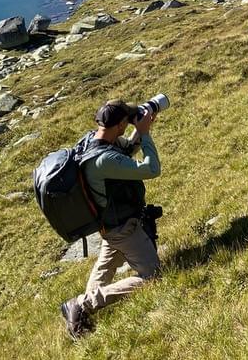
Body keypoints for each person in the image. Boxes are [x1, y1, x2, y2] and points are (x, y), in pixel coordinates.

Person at [60, 100, 162, 339]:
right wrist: (145, 135)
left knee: (107, 263)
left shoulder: (92, 140)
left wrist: (140, 129)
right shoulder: (103, 160)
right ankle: (81, 304)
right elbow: (151, 169)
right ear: (118, 125)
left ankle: (80, 316)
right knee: (152, 276)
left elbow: (124, 151)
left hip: (109, 224)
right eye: (126, 121)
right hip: (124, 227)